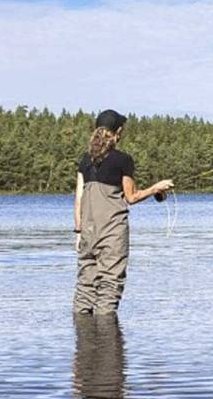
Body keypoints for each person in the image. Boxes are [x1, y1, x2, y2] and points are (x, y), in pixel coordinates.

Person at [73, 109, 174, 315]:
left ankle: (83, 342)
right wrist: (157, 187)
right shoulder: (123, 160)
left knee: (85, 287)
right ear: (118, 132)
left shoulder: (85, 160)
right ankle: (107, 342)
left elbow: (78, 199)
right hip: (112, 234)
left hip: (87, 233)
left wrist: (78, 232)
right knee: (109, 287)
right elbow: (132, 197)